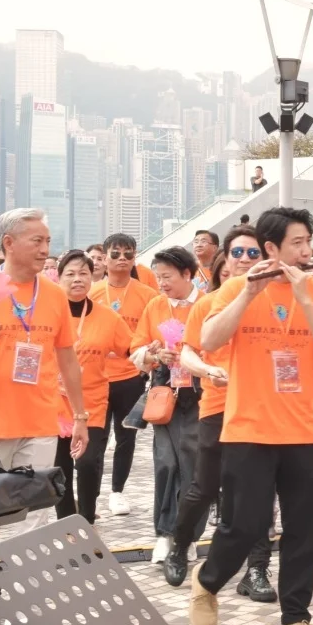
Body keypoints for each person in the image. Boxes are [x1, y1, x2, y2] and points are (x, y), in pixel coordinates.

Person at [187, 205, 313, 625]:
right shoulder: (236, 287)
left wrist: (306, 299)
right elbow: (209, 341)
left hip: (304, 429)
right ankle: (208, 581)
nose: (307, 250)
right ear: (272, 248)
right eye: (298, 243)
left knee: (303, 531)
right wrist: (247, 293)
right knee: (245, 526)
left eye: (309, 241)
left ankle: (295, 622)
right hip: (248, 428)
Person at [0, 208, 89, 550]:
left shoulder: (54, 294)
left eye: (47, 241)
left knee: (35, 513)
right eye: (36, 241)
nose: (45, 250)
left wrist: (80, 417)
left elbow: (68, 359)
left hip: (40, 420)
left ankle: (28, 577)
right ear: (8, 243)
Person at [171, 228, 277, 602]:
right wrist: (206, 370)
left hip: (262, 409)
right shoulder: (208, 305)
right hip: (219, 406)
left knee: (260, 491)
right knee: (205, 486)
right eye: (237, 254)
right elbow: (188, 352)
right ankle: (179, 544)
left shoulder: (275, 303)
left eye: (253, 253)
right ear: (224, 263)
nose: (245, 261)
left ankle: (257, 569)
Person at [130, 247, 204, 564]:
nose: (161, 283)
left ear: (187, 274)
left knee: (192, 466)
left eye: (167, 276)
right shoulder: (155, 306)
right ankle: (164, 533)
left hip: (200, 394)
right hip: (165, 392)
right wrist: (154, 354)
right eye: (158, 277)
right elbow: (136, 351)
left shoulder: (207, 304)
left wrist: (194, 358)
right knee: (166, 463)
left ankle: (187, 536)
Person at [54, 251, 133, 522]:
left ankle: (86, 519)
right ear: (59, 278)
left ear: (93, 277)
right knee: (60, 468)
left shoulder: (108, 317)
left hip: (92, 404)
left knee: (87, 463)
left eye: (83, 273)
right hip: (54, 403)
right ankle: (66, 522)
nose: (77, 279)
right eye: (70, 274)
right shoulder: (49, 314)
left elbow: (131, 347)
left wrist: (150, 353)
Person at [92, 231, 156, 517]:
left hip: (131, 377)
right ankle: (91, 494)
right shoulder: (91, 293)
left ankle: (117, 491)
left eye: (128, 254)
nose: (122, 259)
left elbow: (154, 333)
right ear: (104, 259)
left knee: (126, 437)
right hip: (96, 378)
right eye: (115, 254)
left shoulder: (148, 295)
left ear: (135, 258)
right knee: (96, 439)